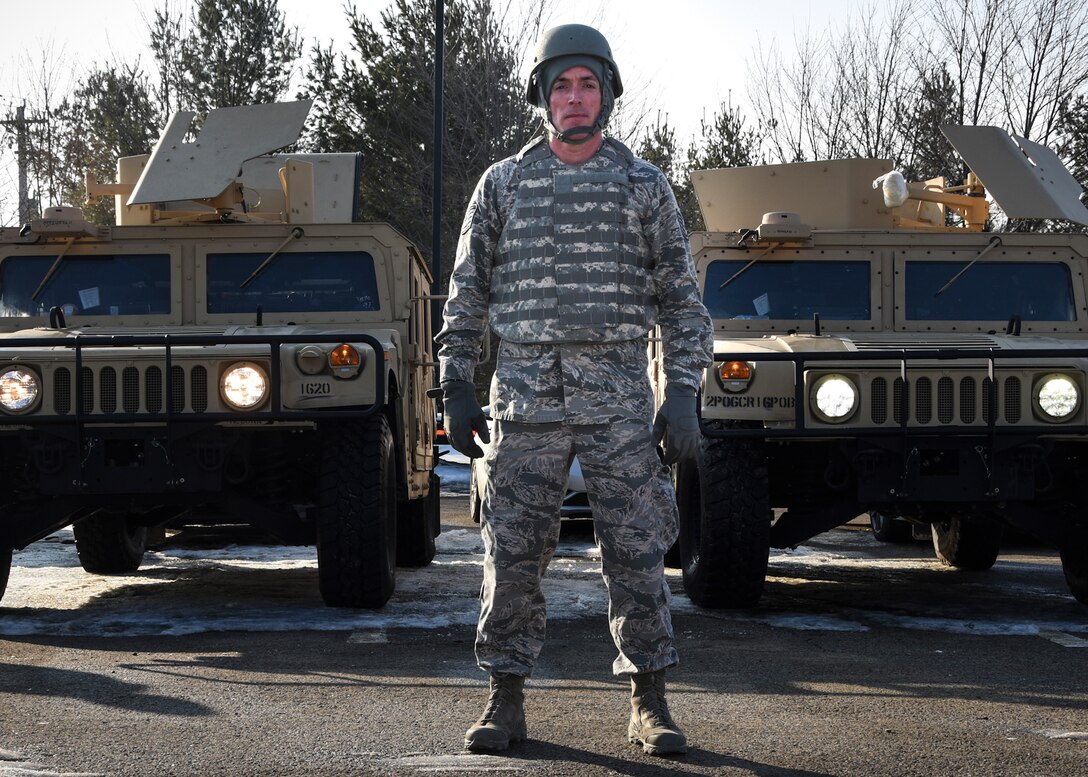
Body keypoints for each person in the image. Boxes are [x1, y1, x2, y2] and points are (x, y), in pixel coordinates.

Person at [436, 22, 713, 757]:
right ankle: (505, 697)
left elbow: (682, 303)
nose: (575, 97)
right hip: (523, 399)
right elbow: (466, 293)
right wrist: (455, 383)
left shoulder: (643, 186)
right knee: (512, 553)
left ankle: (649, 699)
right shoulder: (502, 185)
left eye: (588, 83)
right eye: (562, 84)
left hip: (619, 396)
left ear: (608, 93)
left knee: (636, 551)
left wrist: (680, 390)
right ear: (542, 97)